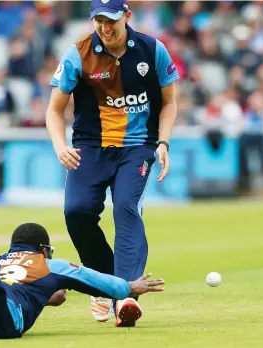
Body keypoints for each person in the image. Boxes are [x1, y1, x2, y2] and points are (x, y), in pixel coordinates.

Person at [46, 0, 179, 325]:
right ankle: (104, 285)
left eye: (112, 21)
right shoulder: (78, 53)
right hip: (90, 147)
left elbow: (169, 103)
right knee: (76, 212)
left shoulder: (153, 49)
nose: (105, 28)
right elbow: (54, 110)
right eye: (99, 21)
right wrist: (60, 145)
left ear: (127, 17)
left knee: (126, 207)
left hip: (137, 147)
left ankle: (126, 297)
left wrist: (163, 142)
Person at [0, 194, 165, 339]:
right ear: (43, 249)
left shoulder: (3, 259)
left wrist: (46, 298)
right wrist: (127, 287)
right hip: (1, 306)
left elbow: (17, 284)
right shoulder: (49, 265)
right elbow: (90, 278)